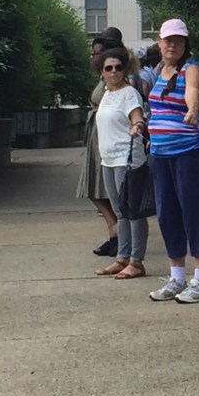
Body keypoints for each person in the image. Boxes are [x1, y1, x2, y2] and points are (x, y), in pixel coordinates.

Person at [147, 18, 199, 304]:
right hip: (160, 154)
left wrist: (192, 107)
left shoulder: (192, 67)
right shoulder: (160, 71)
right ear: (160, 42)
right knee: (167, 215)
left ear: (185, 43)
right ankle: (177, 277)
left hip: (189, 151)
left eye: (178, 40)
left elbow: (192, 90)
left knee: (194, 213)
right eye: (168, 40)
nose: (172, 45)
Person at [92, 47, 148, 279]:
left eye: (118, 67)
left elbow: (137, 117)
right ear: (102, 73)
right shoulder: (106, 94)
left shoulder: (129, 93)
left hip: (127, 158)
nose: (114, 72)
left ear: (125, 69)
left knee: (133, 211)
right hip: (109, 159)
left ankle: (136, 261)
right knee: (120, 211)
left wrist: (137, 126)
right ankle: (122, 258)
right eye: (108, 68)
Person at [77, 32, 122, 257]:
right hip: (97, 136)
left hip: (108, 138)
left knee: (103, 189)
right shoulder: (102, 78)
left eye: (95, 53)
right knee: (95, 188)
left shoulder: (118, 80)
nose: (91, 57)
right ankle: (114, 232)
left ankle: (117, 233)